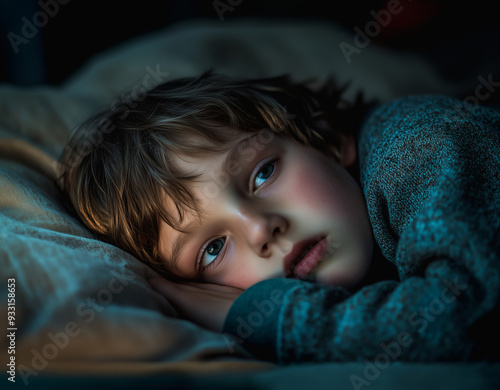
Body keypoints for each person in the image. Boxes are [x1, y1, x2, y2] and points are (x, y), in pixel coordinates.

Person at [58, 71, 500, 364]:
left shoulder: (419, 149)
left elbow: (470, 319)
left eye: (262, 173)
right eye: (213, 249)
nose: (260, 228)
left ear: (325, 138)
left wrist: (272, 316)